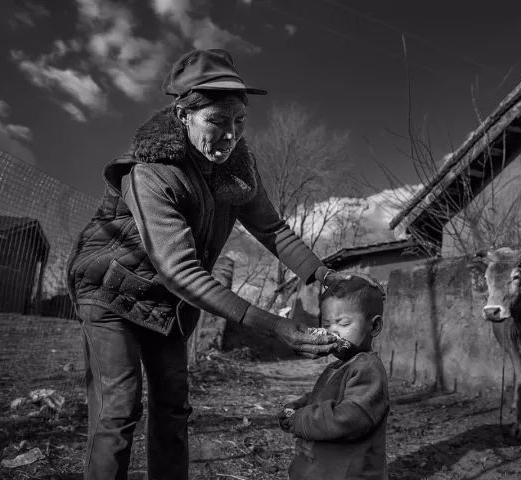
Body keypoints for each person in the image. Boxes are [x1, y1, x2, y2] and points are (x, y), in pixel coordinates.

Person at [66, 48, 355, 480]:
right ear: (184, 115)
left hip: (167, 301)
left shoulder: (237, 169)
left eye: (239, 122)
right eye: (217, 121)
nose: (230, 136)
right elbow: (179, 269)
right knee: (119, 406)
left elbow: (273, 230)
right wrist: (275, 326)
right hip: (110, 290)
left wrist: (326, 275)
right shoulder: (152, 172)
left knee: (174, 406)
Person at [279, 274, 390, 480]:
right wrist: (297, 406)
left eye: (343, 323)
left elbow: (349, 419)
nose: (334, 332)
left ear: (373, 326)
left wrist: (301, 419)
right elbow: (323, 398)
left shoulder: (368, 368)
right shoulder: (335, 366)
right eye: (327, 325)